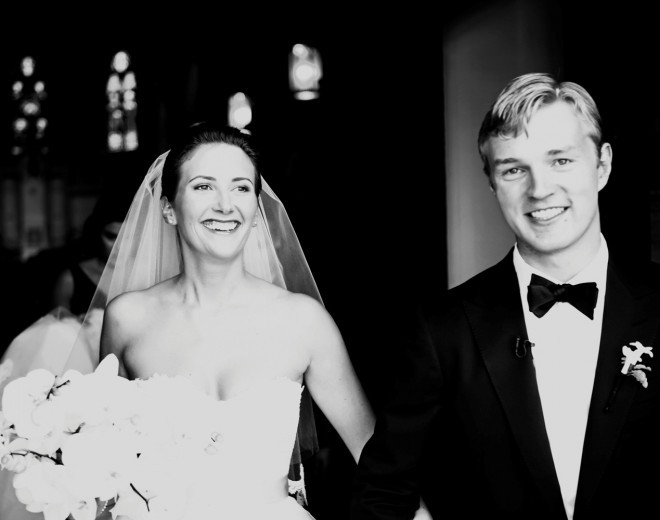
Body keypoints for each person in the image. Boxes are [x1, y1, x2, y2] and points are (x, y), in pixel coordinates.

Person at [350, 72, 660, 519]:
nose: (540, 189)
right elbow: (382, 493)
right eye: (514, 169)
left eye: (561, 160)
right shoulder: (443, 329)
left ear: (603, 166)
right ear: (493, 183)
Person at [91, 122, 376, 519]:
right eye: (204, 186)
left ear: (257, 212)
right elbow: (105, 458)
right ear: (169, 208)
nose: (226, 205)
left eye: (241, 187)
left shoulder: (303, 321)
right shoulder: (127, 318)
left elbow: (376, 456)